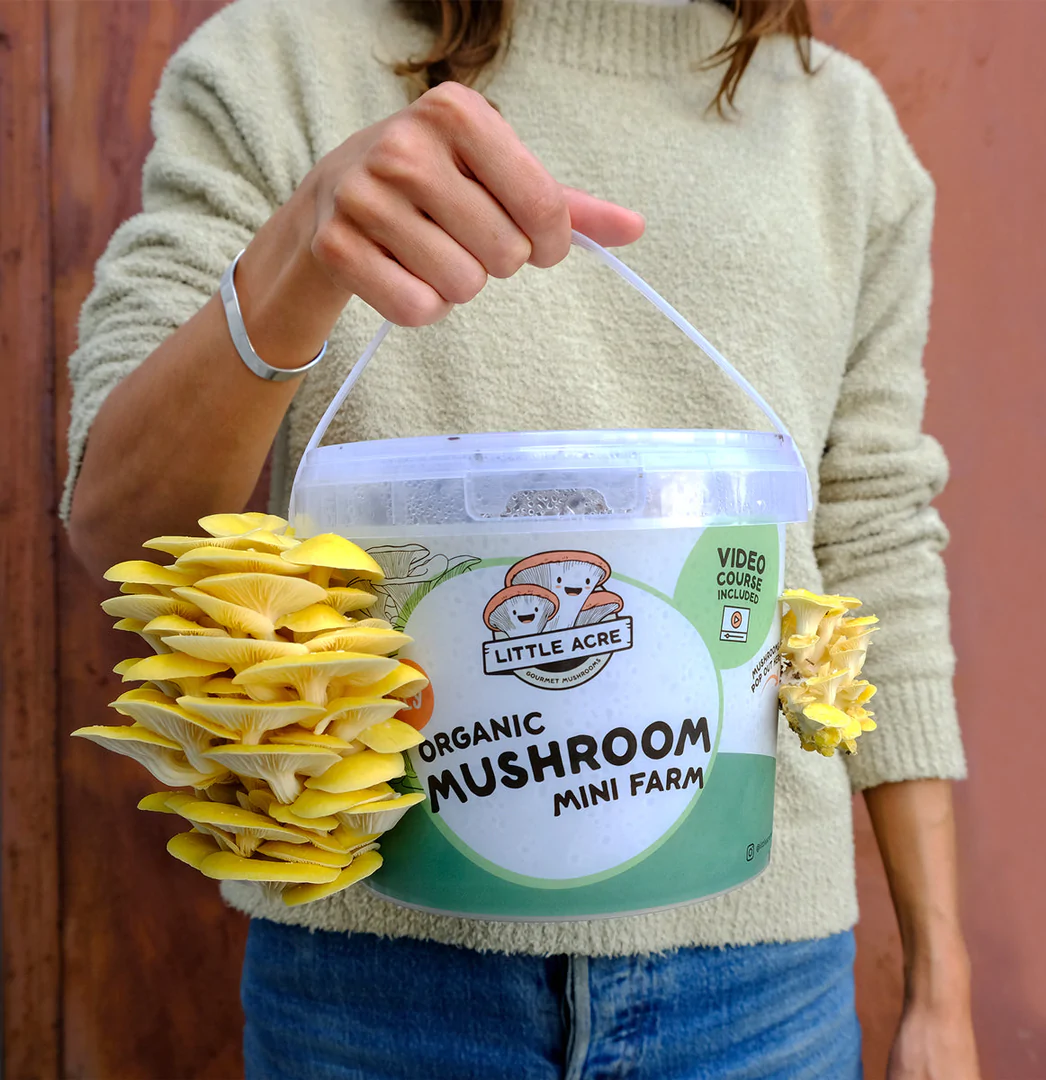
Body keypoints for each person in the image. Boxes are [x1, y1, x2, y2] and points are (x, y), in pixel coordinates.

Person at [62, 0, 980, 1076]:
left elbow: (877, 535)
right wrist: (299, 253)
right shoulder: (275, 63)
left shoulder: (843, 126)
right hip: (375, 981)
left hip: (758, 986)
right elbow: (123, 523)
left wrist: (941, 986)